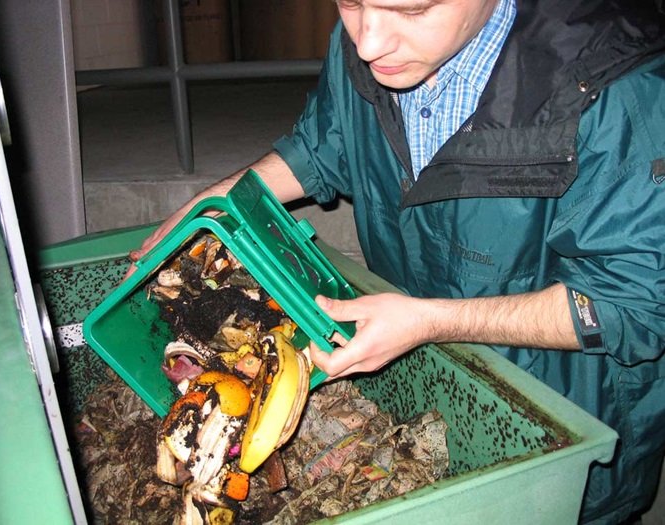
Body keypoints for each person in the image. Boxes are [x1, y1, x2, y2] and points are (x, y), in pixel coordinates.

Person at [128, 0, 665, 522]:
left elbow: (633, 306)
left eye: (412, 11)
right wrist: (212, 207)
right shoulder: (367, 43)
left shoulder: (619, 90)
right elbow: (321, 147)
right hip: (428, 399)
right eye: (350, 2)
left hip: (563, 436)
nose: (368, 43)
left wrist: (430, 322)